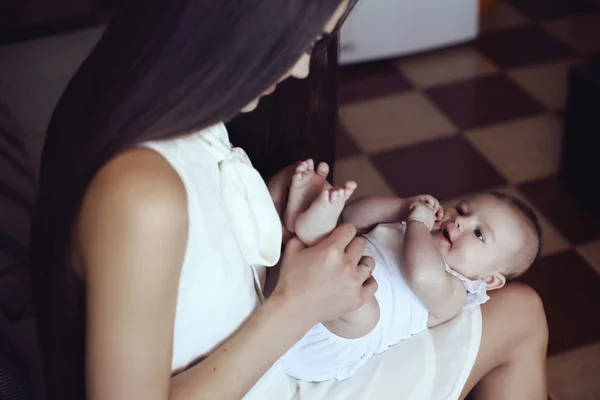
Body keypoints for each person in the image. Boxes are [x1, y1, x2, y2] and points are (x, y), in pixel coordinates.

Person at [30, 1, 549, 400]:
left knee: (521, 308)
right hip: (283, 372)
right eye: (302, 42)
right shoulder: (142, 194)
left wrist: (273, 200)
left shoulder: (182, 129)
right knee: (523, 315)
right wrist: (296, 304)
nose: (302, 67)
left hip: (288, 353)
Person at [274, 161, 542, 383]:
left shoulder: (455, 291)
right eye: (462, 210)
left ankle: (308, 233)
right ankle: (307, 225)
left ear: (490, 279)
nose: (460, 221)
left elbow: (421, 273)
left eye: (479, 233)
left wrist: (416, 223)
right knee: (342, 226)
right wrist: (401, 208)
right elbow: (354, 215)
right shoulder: (412, 229)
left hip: (325, 343)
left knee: (365, 310)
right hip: (305, 290)